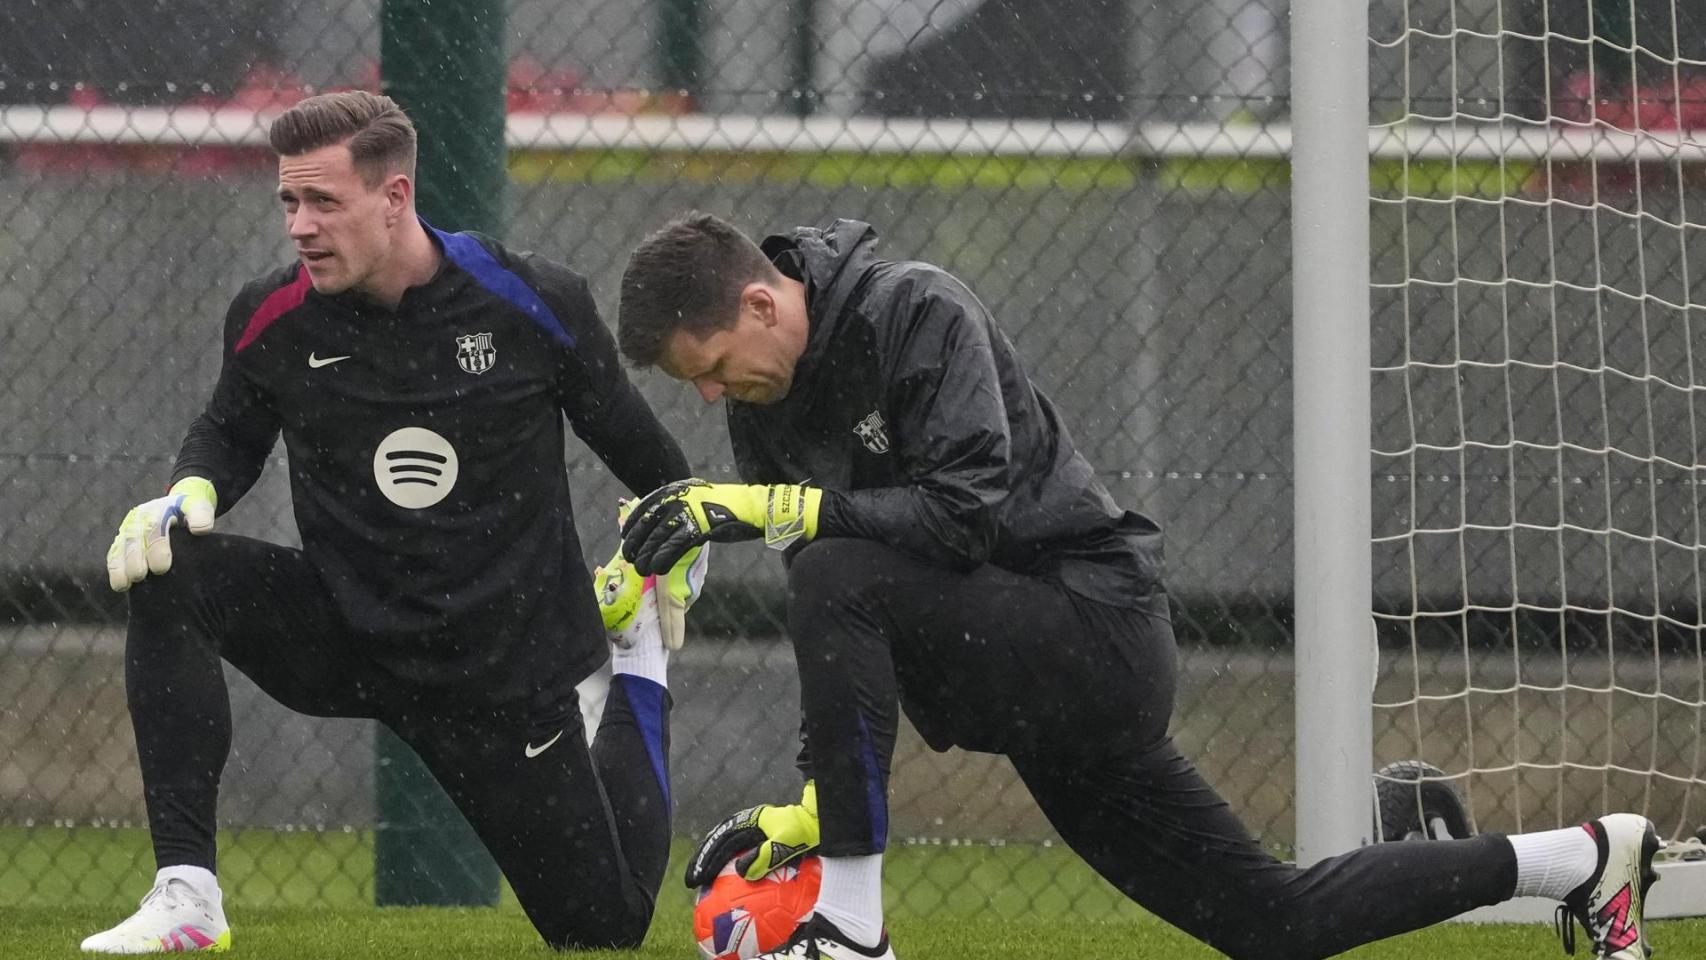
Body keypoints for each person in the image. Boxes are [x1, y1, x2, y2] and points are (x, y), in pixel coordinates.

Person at [611, 212, 1663, 960]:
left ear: (758, 301)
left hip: (1095, 633)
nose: (707, 395)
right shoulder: (764, 410)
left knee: (833, 563)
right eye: (691, 384)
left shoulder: (915, 310)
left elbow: (957, 518)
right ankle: (1578, 860)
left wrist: (770, 512)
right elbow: (836, 623)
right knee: (1272, 926)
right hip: (1026, 702)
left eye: (707, 366)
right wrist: (809, 806)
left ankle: (852, 926)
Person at [85, 91, 705, 953]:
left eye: (324, 202)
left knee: (604, 931)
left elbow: (654, 464)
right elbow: (228, 433)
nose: (300, 226)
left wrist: (670, 561)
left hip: (500, 673)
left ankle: (638, 660)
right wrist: (190, 492)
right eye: (288, 203)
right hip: (348, 633)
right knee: (163, 568)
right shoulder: (270, 315)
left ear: (395, 197)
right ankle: (187, 892)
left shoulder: (534, 302)